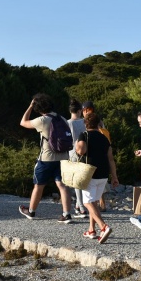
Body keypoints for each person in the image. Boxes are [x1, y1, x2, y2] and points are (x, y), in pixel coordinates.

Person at [18, 93, 73, 223]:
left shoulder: (42, 120)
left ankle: (31, 211)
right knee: (62, 186)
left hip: (46, 158)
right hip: (63, 158)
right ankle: (66, 214)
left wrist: (30, 106)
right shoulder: (62, 119)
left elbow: (23, 122)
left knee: (38, 185)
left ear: (38, 108)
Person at [76, 112, 119, 244]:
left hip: (90, 173)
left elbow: (81, 151)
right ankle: (91, 230)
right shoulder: (104, 138)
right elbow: (111, 159)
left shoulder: (84, 135)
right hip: (103, 174)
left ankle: (103, 227)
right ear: (99, 123)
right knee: (93, 202)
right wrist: (115, 177)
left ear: (85, 123)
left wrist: (77, 147)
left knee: (87, 203)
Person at [82, 100, 111, 212]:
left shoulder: (91, 123)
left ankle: (101, 223)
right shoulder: (99, 122)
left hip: (90, 160)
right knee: (99, 184)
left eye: (87, 110)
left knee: (89, 197)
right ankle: (100, 206)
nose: (86, 112)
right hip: (102, 160)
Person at [67, 98, 88, 218]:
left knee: (76, 182)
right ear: (80, 110)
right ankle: (81, 205)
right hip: (85, 152)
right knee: (84, 180)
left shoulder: (68, 123)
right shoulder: (84, 122)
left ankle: (81, 207)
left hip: (72, 153)